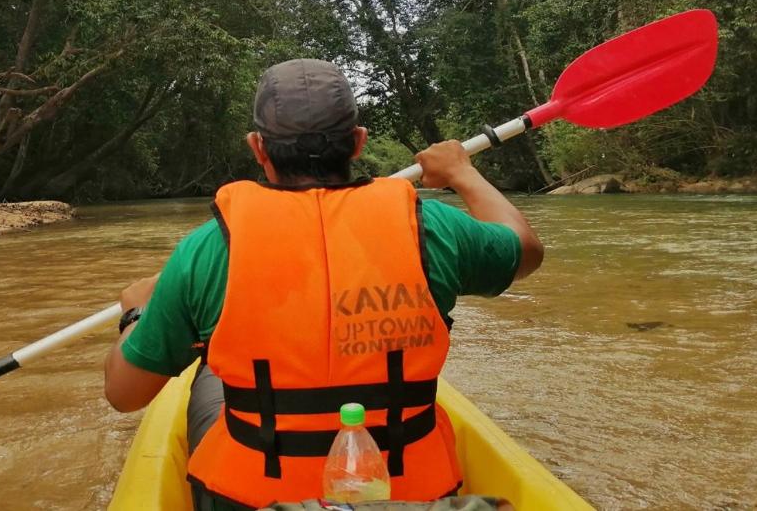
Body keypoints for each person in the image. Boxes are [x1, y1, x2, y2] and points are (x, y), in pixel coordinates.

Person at [104, 59, 544, 510]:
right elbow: (525, 250)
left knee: (212, 373)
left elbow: (125, 394)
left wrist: (136, 314)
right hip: (413, 492)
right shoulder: (432, 226)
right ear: (358, 143)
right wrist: (461, 173)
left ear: (258, 148)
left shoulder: (206, 250)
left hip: (249, 498)